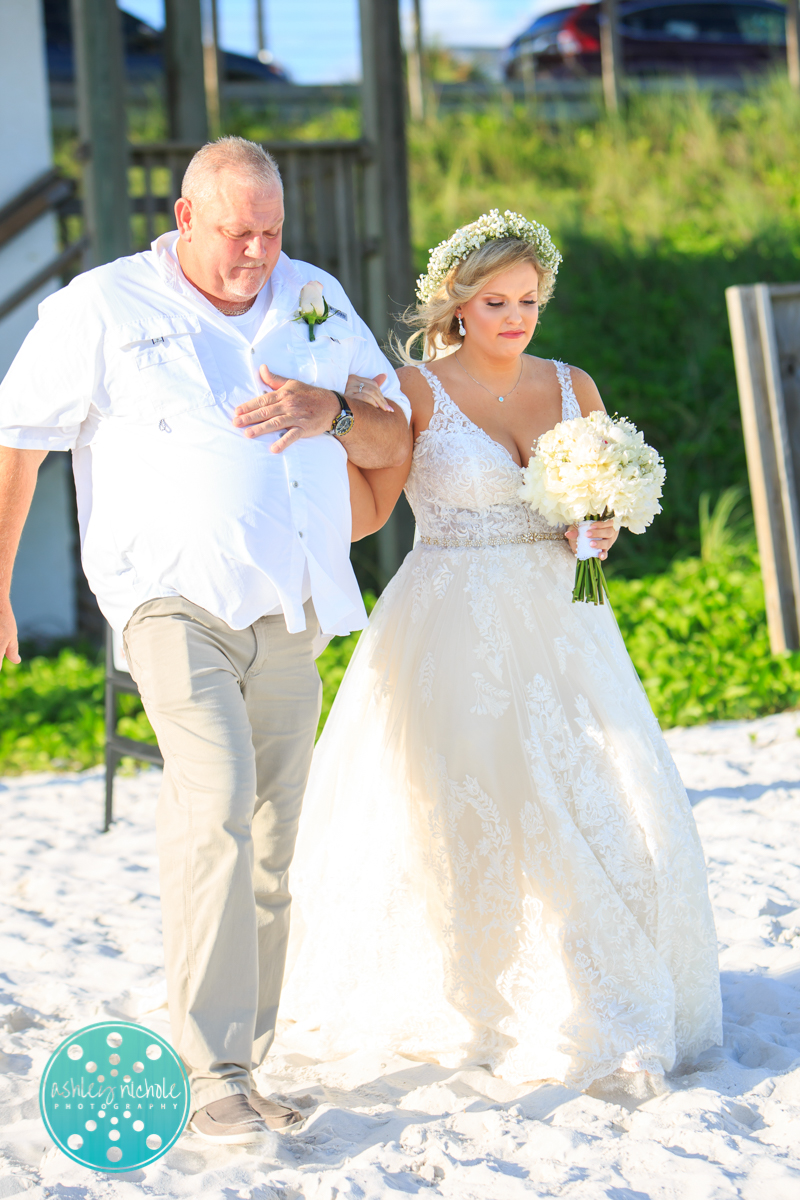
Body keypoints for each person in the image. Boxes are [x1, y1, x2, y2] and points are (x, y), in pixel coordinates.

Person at [0, 137, 411, 1144]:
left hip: (295, 603)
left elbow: (393, 430)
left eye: (271, 232)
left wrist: (333, 411)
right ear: (185, 219)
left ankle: (245, 1059)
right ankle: (206, 1065)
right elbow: (18, 439)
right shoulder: (100, 306)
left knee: (274, 843)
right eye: (238, 233)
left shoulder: (313, 292)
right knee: (215, 798)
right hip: (168, 601)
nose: (258, 253)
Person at [281, 211, 723, 1092]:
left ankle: (607, 994)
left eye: (528, 299)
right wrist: (320, 453)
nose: (516, 316)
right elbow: (369, 515)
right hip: (449, 622)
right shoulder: (411, 389)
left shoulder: (573, 384)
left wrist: (600, 527)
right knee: (469, 811)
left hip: (566, 620)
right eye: (496, 300)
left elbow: (600, 516)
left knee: (610, 796)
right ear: (458, 304)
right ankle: (485, 1000)